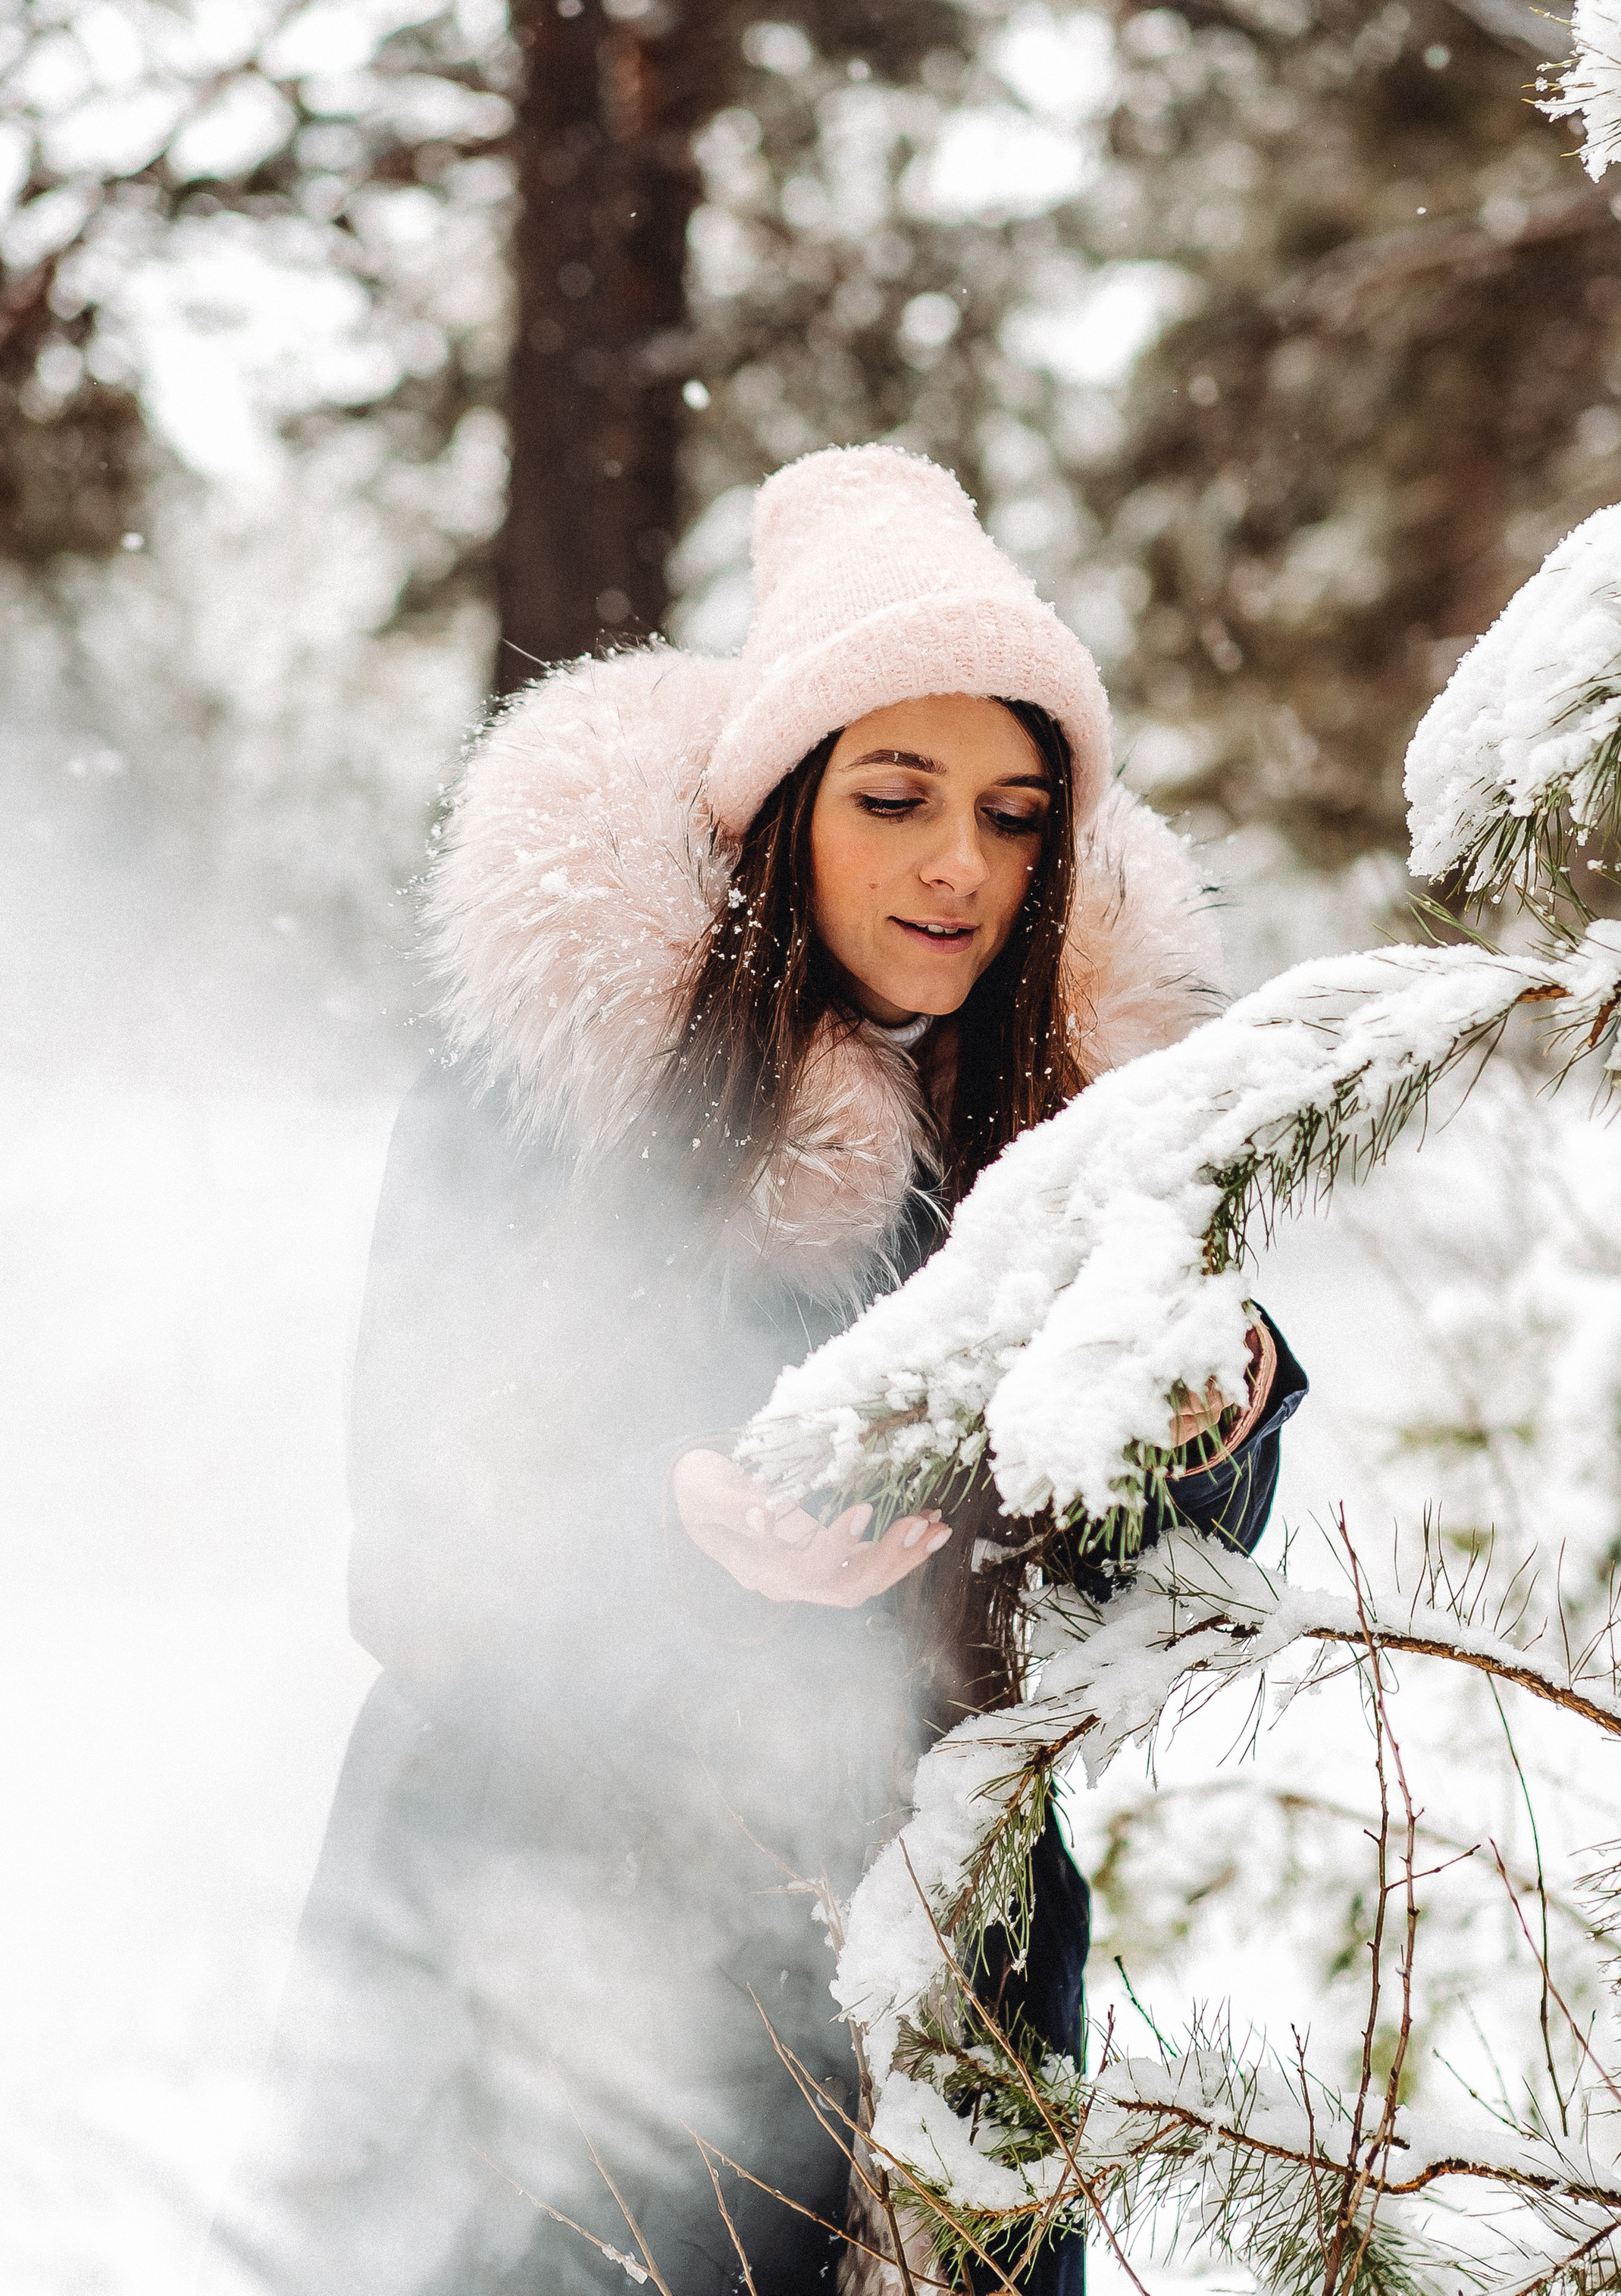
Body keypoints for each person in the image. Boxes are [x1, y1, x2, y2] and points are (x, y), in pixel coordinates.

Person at [209, 444, 1305, 2296]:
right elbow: (414, 1542)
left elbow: (1148, 1589)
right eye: (895, 797)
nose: (959, 863)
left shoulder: (1076, 1132)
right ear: (785, 808)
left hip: (932, 1948)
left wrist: (1215, 1418)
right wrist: (666, 1521)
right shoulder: (549, 1094)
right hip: (541, 1932)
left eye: (1013, 815)